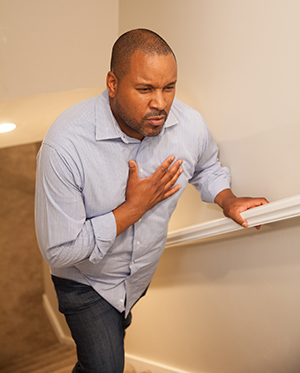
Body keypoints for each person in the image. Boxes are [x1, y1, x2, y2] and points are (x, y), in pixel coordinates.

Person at [35, 29, 268, 372]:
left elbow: (205, 166)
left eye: (169, 87)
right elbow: (58, 249)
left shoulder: (188, 125)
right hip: (87, 283)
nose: (161, 103)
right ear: (112, 83)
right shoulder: (65, 146)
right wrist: (133, 209)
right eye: (145, 89)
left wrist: (227, 199)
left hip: (138, 278)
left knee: (110, 345)